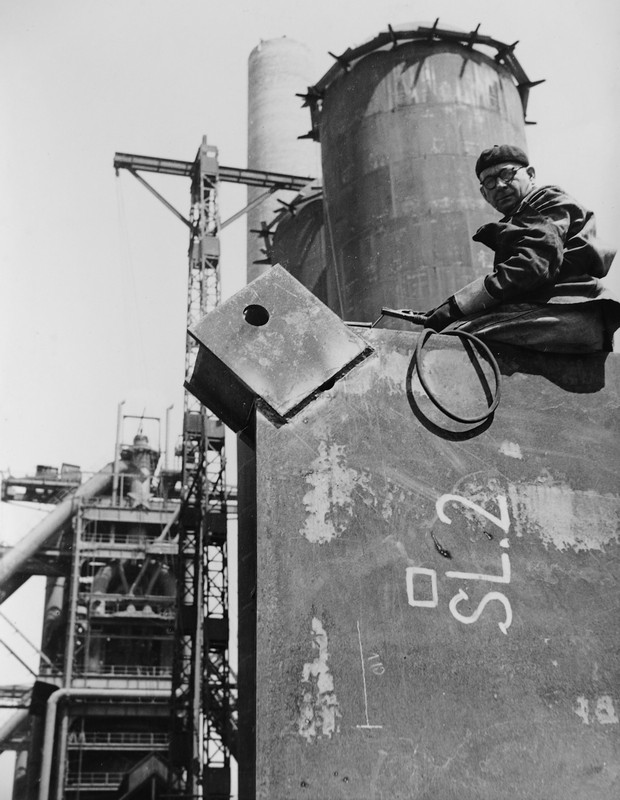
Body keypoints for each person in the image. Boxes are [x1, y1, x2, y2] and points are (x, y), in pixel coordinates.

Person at [424, 144, 620, 352]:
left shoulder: (541, 203)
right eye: (490, 181)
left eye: (507, 174)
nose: (500, 185)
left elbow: (532, 266)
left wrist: (456, 306)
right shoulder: (525, 216)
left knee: (446, 343)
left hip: (563, 310)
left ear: (531, 175)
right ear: (484, 194)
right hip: (570, 316)